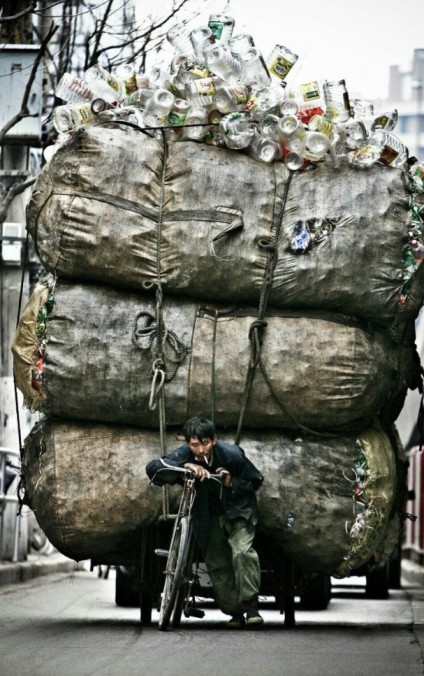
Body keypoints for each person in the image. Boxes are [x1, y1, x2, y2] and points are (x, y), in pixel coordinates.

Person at [145, 416, 264, 628]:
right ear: (188, 444)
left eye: (205, 443)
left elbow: (256, 480)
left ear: (214, 440)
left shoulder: (231, 455)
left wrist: (231, 482)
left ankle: (251, 608)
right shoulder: (186, 454)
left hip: (238, 511)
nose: (201, 450)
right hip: (206, 515)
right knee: (217, 563)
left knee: (241, 552)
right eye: (195, 445)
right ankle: (235, 612)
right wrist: (185, 465)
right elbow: (154, 468)